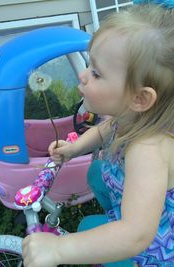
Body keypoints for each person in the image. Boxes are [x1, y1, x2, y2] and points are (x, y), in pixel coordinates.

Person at [22, 4, 174, 267]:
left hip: (152, 245)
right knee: (95, 173)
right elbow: (106, 129)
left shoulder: (148, 151)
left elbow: (135, 235)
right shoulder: (129, 114)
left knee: (90, 228)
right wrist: (75, 148)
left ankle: (115, 230)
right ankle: (116, 213)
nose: (82, 75)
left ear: (139, 98)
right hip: (131, 200)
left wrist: (58, 249)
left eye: (95, 73)